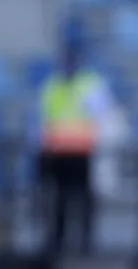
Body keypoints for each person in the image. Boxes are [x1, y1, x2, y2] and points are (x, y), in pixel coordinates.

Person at [37, 40, 116, 255]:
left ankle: (85, 242)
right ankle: (57, 242)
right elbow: (43, 121)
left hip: (82, 152)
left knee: (83, 200)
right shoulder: (52, 86)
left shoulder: (90, 86)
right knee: (59, 200)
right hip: (57, 152)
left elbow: (105, 118)